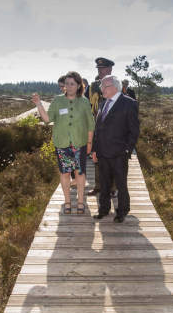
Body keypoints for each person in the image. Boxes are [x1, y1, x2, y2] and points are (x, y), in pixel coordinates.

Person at [32, 71, 94, 214]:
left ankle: (80, 201)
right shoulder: (57, 100)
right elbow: (47, 119)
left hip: (80, 142)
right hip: (62, 143)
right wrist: (39, 104)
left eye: (72, 84)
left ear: (79, 85)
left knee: (79, 172)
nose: (69, 86)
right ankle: (67, 201)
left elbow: (91, 124)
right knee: (65, 173)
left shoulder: (84, 101)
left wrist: (90, 143)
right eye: (67, 83)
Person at [91, 75, 140, 223]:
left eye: (105, 87)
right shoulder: (102, 104)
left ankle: (122, 211)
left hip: (119, 153)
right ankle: (103, 209)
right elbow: (98, 129)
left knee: (120, 184)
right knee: (104, 183)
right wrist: (95, 149)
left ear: (114, 88)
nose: (101, 89)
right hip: (102, 152)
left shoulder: (128, 103)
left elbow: (134, 130)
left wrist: (126, 150)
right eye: (102, 87)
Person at [85, 58, 117, 198]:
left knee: (112, 159)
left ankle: (112, 188)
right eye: (99, 68)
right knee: (96, 157)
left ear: (110, 69)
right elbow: (87, 103)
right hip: (98, 126)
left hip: (112, 128)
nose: (100, 70)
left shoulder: (116, 83)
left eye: (103, 68)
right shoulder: (93, 86)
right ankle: (98, 186)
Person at [57, 75, 78, 186]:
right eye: (60, 86)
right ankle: (70, 179)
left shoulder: (78, 100)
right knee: (67, 163)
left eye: (63, 85)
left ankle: (75, 179)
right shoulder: (59, 100)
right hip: (63, 138)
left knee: (75, 161)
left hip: (75, 137)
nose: (62, 88)